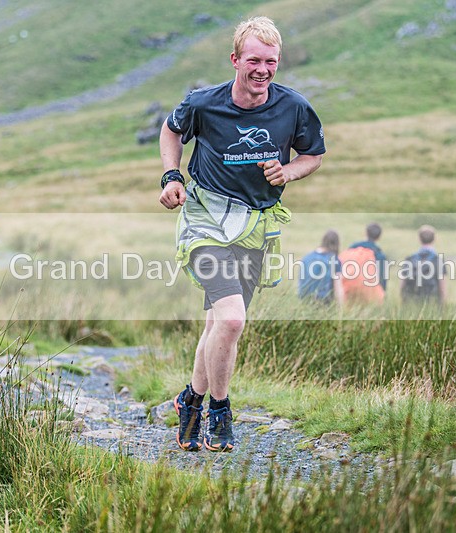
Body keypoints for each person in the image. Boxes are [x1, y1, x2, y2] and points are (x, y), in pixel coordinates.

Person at [158, 16, 325, 452]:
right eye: (254, 60)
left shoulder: (294, 107)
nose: (263, 70)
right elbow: (172, 130)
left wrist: (287, 170)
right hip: (205, 220)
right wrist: (171, 176)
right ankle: (220, 411)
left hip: (255, 226)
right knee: (232, 318)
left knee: (219, 322)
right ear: (235, 60)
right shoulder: (202, 103)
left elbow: (313, 156)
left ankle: (189, 401)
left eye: (271, 61)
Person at [400, 224, 447, 307]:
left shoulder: (410, 259)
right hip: (432, 301)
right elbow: (442, 286)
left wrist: (404, 303)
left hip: (412, 301)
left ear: (419, 239)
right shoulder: (438, 260)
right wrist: (442, 305)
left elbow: (403, 285)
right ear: (434, 239)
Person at [297, 230, 342, 305]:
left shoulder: (307, 257)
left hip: (304, 299)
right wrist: (341, 309)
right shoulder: (334, 260)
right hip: (322, 301)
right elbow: (338, 288)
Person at [348, 223, 388, 293]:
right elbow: (382, 280)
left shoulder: (353, 248)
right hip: (370, 292)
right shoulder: (380, 256)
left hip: (350, 289)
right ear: (379, 237)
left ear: (366, 233)